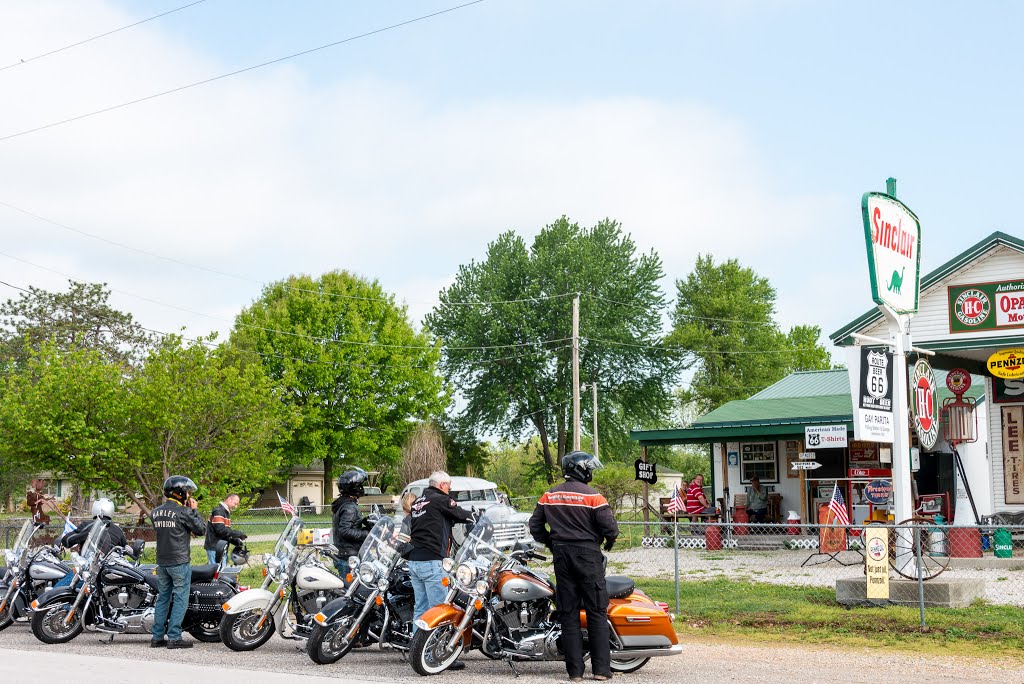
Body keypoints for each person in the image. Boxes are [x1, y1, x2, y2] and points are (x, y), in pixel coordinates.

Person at [529, 451, 619, 683]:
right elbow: (610, 527)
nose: (591, 471)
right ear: (580, 469)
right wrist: (608, 540)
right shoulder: (594, 496)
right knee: (596, 611)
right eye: (589, 467)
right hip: (588, 555)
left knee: (567, 613)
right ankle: (601, 670)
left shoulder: (549, 494)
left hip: (561, 556)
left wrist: (552, 542)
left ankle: (575, 673)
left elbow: (535, 525)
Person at [407, 471, 474, 671]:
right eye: (449, 485)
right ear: (443, 484)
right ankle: (441, 654)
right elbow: (461, 514)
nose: (450, 489)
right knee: (440, 610)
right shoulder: (441, 499)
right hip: (432, 561)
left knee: (421, 608)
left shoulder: (419, 501)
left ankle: (416, 650)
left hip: (414, 561)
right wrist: (474, 516)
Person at [149, 475, 206, 649]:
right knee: (181, 599)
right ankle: (174, 637)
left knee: (163, 599)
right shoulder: (183, 511)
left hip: (162, 562)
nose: (188, 495)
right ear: (180, 493)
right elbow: (201, 529)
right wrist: (194, 510)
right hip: (179, 562)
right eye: (187, 492)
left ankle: (157, 637)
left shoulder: (155, 512)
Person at [331, 467, 370, 576]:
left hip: (345, 553)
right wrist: (367, 534)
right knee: (350, 591)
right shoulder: (349, 507)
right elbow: (344, 530)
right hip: (348, 557)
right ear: (355, 487)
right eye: (360, 484)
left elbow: (350, 526)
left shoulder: (342, 504)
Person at [60, 498, 127, 555]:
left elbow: (68, 541)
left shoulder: (88, 526)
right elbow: (125, 549)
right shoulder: (118, 530)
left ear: (94, 509)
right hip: (110, 567)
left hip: (89, 567)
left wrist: (64, 540)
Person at [204, 494, 247, 567]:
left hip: (221, 547)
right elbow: (220, 530)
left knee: (222, 572)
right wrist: (238, 534)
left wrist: (235, 541)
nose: (236, 506)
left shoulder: (225, 512)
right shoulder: (218, 511)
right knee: (217, 573)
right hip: (215, 548)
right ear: (229, 499)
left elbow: (226, 533)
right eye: (235, 504)